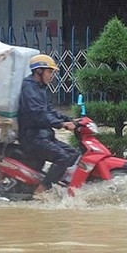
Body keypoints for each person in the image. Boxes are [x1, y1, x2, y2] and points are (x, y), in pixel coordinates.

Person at [17, 54, 79, 193]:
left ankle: (60, 185)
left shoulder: (39, 88)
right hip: (32, 137)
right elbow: (38, 115)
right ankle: (42, 189)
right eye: (50, 71)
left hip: (43, 136)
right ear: (39, 71)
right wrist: (61, 124)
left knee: (74, 154)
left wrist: (69, 119)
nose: (52, 75)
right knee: (63, 157)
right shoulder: (29, 88)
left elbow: (49, 110)